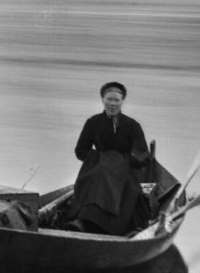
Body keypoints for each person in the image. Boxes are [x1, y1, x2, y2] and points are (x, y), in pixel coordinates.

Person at [65, 81, 152, 235]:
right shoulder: (93, 123)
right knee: (97, 177)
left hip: (126, 172)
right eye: (109, 99)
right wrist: (101, 159)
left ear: (122, 101)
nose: (112, 104)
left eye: (116, 100)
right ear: (102, 100)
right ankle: (85, 221)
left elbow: (143, 154)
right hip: (99, 168)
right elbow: (80, 151)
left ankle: (109, 226)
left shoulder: (132, 125)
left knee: (118, 185)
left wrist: (122, 160)